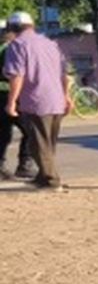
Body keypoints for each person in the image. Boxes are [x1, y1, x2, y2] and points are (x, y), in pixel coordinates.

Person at [2, 11, 72, 190]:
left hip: (36, 101)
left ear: (13, 28)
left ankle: (51, 181)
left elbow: (17, 75)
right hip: (56, 100)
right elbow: (64, 74)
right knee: (48, 143)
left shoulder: (17, 45)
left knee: (38, 144)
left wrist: (11, 102)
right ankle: (42, 177)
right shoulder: (50, 44)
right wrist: (67, 97)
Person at [0, 21, 37, 179]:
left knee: (3, 133)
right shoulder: (11, 49)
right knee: (31, 130)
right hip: (13, 95)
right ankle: (25, 163)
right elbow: (17, 74)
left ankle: (1, 166)